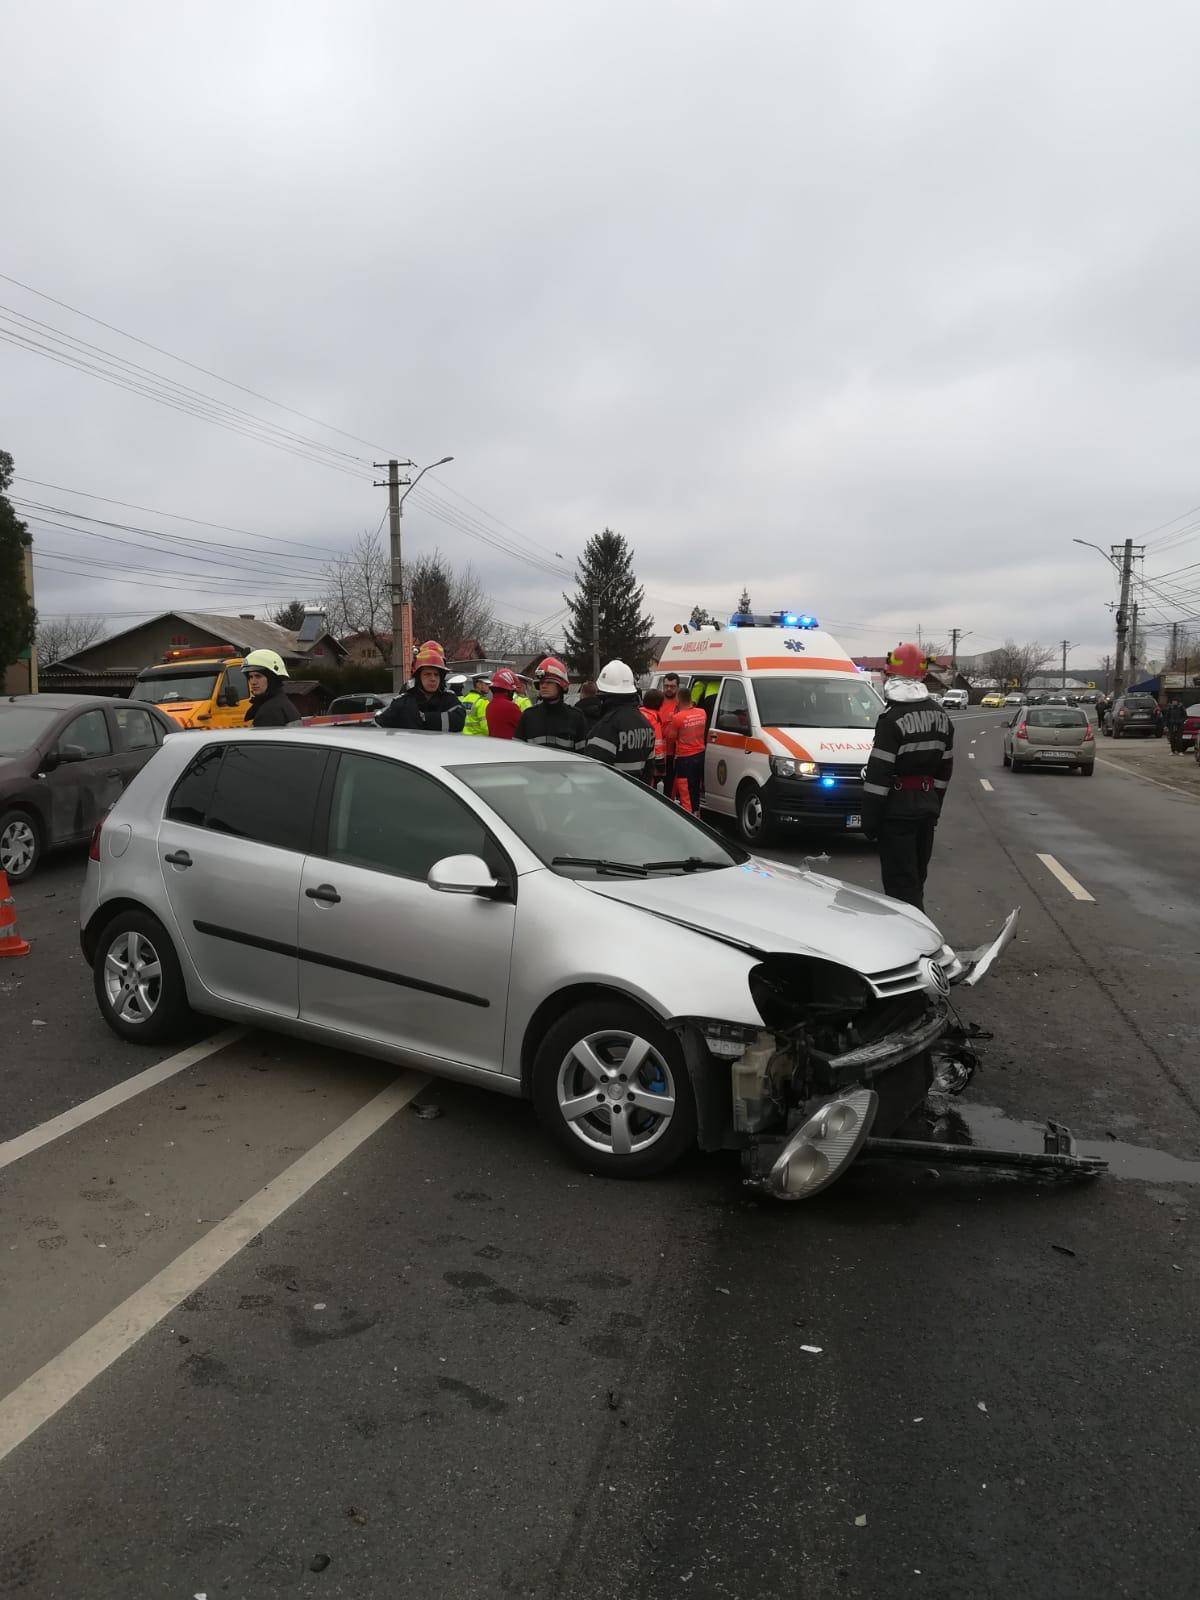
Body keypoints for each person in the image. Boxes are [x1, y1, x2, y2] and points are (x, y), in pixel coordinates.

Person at [861, 642, 954, 912]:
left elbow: (879, 775)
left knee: (900, 885)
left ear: (890, 676)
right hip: (925, 810)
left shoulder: (891, 719)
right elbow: (944, 771)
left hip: (897, 813)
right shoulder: (941, 716)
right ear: (923, 676)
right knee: (917, 879)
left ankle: (914, 943)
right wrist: (934, 805)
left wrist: (869, 821)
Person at [584, 660, 656, 780]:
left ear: (603, 694)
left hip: (612, 796)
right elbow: (649, 771)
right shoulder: (646, 725)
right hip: (639, 796)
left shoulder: (605, 728)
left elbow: (593, 776)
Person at [376, 640, 467, 732]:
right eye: (427, 674)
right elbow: (377, 726)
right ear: (418, 677)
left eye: (436, 674)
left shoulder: (449, 699)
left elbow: (458, 721)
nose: (433, 679)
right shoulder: (403, 703)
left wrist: (424, 718)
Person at [516, 656, 587, 749]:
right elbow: (518, 751)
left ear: (562, 686)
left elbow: (582, 756)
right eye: (541, 683)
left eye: (549, 682)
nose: (544, 686)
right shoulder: (528, 716)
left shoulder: (576, 718)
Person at [665, 685, 707, 811]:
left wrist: (669, 722)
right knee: (695, 788)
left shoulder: (678, 718)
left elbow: (670, 739)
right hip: (700, 755)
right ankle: (696, 812)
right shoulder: (702, 712)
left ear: (678, 700)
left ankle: (689, 818)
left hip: (685, 759)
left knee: (685, 791)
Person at [242, 649, 301, 728]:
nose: (253, 682)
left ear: (272, 679)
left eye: (258, 676)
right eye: (250, 677)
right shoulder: (283, 703)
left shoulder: (269, 711)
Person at [640, 686, 667, 790]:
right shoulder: (653, 718)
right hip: (648, 759)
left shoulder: (638, 712)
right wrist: (660, 762)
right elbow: (657, 742)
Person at [485, 668, 523, 739]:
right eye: (513, 691)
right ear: (509, 691)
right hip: (510, 747)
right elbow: (524, 728)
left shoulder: (489, 706)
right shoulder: (511, 707)